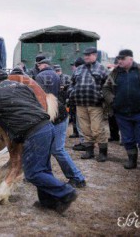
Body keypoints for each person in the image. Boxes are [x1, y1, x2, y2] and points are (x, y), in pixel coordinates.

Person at [0, 69, 77, 212]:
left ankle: (66, 192)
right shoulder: (21, 87)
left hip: (33, 133)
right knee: (44, 169)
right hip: (46, 128)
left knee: (33, 173)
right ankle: (48, 201)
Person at [103, 49, 140, 173]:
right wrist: (112, 101)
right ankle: (131, 160)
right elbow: (106, 88)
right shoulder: (114, 73)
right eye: (118, 59)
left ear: (130, 59)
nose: (119, 61)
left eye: (122, 59)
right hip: (122, 113)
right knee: (127, 139)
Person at [36, 60, 86, 188]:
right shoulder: (56, 76)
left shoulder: (40, 82)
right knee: (45, 148)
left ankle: (78, 178)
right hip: (55, 115)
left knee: (57, 149)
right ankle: (43, 175)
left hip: (58, 117)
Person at [68, 47, 109, 162]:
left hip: (95, 104)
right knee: (85, 129)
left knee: (97, 129)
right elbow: (72, 83)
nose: (86, 57)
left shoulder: (102, 69)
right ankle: (89, 151)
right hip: (80, 104)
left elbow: (109, 86)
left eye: (89, 55)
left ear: (95, 55)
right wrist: (72, 92)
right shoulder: (79, 69)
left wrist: (101, 95)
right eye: (85, 55)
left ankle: (103, 153)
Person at [68, 58, 86, 151]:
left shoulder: (77, 74)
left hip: (79, 102)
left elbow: (72, 87)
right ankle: (88, 143)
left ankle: (85, 143)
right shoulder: (88, 72)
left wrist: (71, 95)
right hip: (88, 102)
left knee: (82, 123)